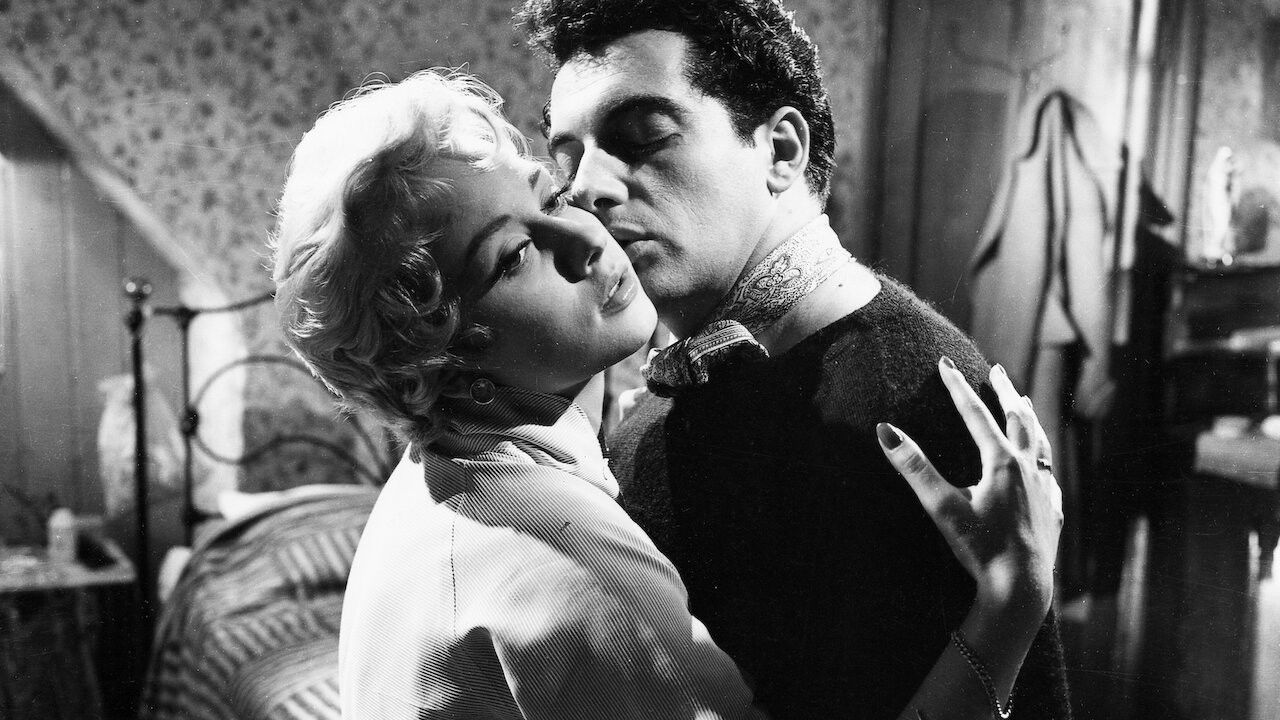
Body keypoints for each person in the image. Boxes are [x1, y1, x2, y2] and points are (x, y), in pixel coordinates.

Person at [271, 69, 1061, 719]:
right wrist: (1008, 605)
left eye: (547, 197)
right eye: (512, 258)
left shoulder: (434, 483)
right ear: (443, 359)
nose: (586, 236)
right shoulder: (571, 570)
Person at [518, 0, 1073, 717]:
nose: (587, 188)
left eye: (643, 136)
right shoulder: (673, 394)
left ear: (781, 151)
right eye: (568, 160)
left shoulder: (924, 409)